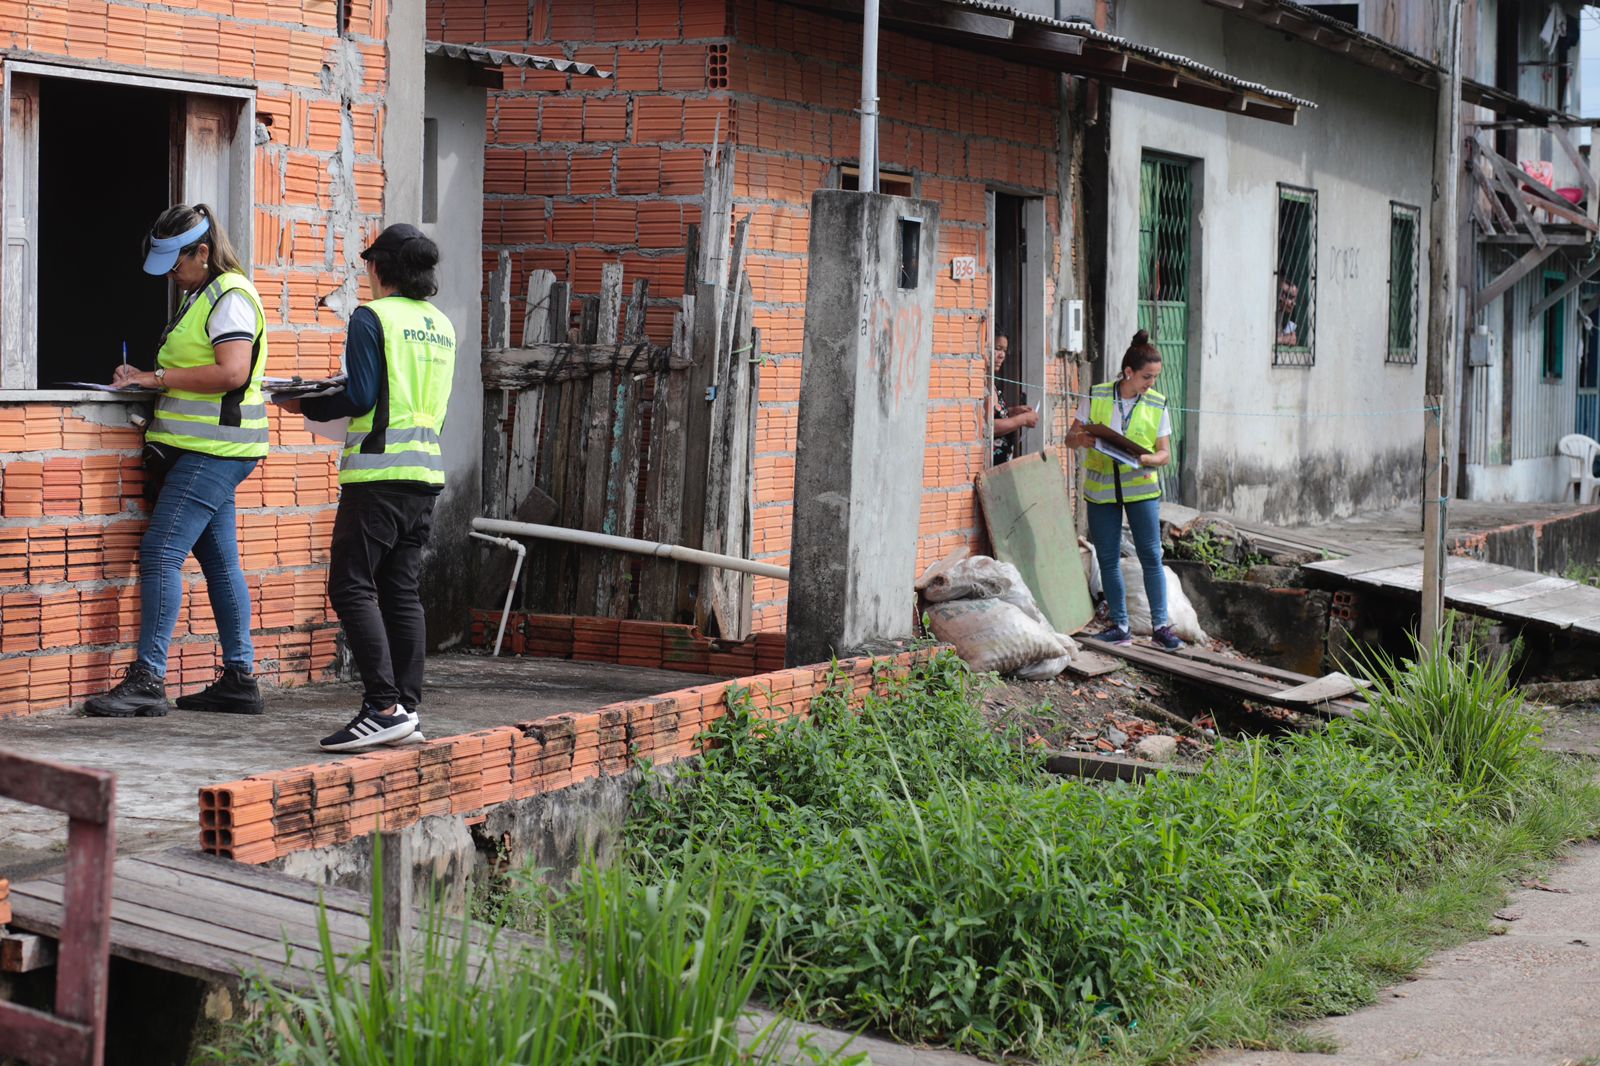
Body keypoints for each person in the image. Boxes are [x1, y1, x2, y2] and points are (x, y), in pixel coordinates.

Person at [85, 204, 270, 718]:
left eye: (177, 262)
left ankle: (148, 678)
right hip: (211, 448)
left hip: (214, 450)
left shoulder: (230, 297)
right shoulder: (201, 296)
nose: (171, 272)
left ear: (203, 252)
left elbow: (232, 372)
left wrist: (154, 379)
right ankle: (240, 678)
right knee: (220, 562)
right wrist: (146, 373)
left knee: (160, 553)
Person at [281, 224, 455, 752]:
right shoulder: (441, 325)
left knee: (351, 585)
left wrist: (304, 403)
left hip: (377, 476)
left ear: (379, 269)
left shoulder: (371, 317)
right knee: (400, 589)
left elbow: (359, 395)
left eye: (367, 269)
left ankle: (381, 707)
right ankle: (406, 709)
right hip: (423, 476)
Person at [1065, 329, 1183, 651]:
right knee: (1107, 558)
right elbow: (1069, 439)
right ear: (1128, 372)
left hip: (1142, 489)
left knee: (1150, 556)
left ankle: (1161, 626)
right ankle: (1120, 626)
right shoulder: (1098, 394)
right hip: (1102, 491)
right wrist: (1083, 439)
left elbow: (1164, 454)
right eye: (1147, 377)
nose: (1151, 383)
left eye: (1156, 377)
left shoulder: (1158, 402)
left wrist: (1142, 457)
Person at [989, 332, 1038, 465]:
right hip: (988, 468)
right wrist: (1022, 419)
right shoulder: (980, 386)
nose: (1002, 355)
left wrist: (1012, 411)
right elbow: (989, 426)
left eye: (1004, 350)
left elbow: (995, 415)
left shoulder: (993, 384)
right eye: (997, 349)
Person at [1275, 280, 1300, 346]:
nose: (1294, 303)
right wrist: (1283, 339)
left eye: (1295, 298)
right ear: (1282, 296)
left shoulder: (1281, 313)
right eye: (1291, 297)